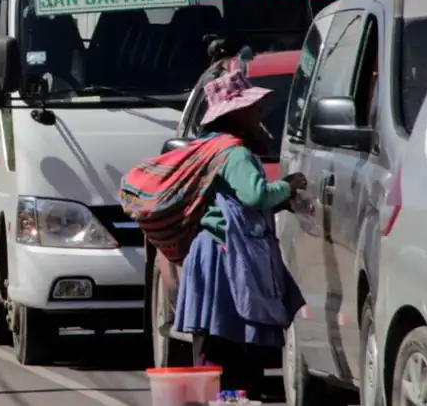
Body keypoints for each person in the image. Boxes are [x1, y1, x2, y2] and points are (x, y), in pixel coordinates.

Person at [120, 69, 308, 399]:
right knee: (233, 350)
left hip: (208, 255)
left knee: (212, 349)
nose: (261, 112)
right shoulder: (234, 153)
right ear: (236, 115)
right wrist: (288, 186)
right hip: (227, 260)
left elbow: (233, 203)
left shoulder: (209, 148)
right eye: (254, 107)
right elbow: (255, 196)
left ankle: (216, 397)